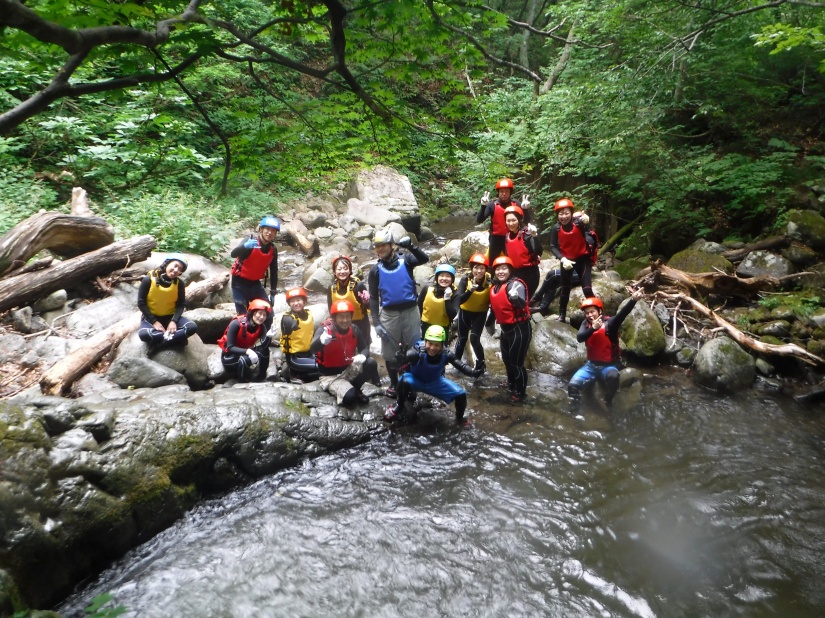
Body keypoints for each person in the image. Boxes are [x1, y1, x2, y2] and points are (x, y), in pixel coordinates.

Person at [368, 228, 429, 397]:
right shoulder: (375, 271)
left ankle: (410, 381)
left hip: (410, 311)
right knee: (389, 353)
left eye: (382, 245)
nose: (379, 249)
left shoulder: (407, 260)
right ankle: (394, 384)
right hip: (389, 314)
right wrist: (377, 323)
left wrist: (412, 246)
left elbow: (425, 258)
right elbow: (373, 298)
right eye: (376, 246)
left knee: (415, 349)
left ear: (392, 245)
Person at [384, 325, 483, 425]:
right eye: (430, 343)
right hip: (415, 380)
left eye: (436, 345)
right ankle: (399, 405)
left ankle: (459, 419)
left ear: (442, 345)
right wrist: (398, 360)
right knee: (404, 380)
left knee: (461, 394)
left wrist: (474, 372)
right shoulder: (416, 352)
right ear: (425, 341)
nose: (432, 348)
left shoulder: (446, 354)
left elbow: (461, 366)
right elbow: (393, 366)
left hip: (435, 383)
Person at [568, 289, 644, 411]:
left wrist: (633, 300)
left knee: (613, 377)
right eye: (587, 313)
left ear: (600, 311)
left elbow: (622, 314)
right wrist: (593, 328)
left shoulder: (610, 323)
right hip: (591, 366)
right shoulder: (585, 324)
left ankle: (607, 400)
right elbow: (580, 338)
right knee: (572, 386)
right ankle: (575, 408)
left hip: (608, 366)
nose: (590, 315)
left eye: (592, 312)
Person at [311, 299, 380, 407]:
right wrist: (321, 341)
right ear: (334, 317)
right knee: (349, 399)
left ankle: (356, 389)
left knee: (371, 363)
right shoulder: (324, 330)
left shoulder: (354, 329)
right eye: (341, 317)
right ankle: (349, 390)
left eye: (348, 316)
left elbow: (364, 348)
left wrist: (362, 355)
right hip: (330, 376)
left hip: (348, 369)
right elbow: (312, 349)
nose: (345, 320)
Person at [488, 256, 532, 403]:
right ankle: (511, 384)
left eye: (504, 269)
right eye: (498, 269)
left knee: (517, 363)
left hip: (519, 328)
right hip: (505, 329)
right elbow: (496, 308)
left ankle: (521, 393)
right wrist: (490, 324)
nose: (501, 272)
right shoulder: (495, 288)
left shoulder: (516, 285)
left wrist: (515, 298)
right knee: (507, 360)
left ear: (510, 270)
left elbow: (522, 303)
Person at [137, 253, 198, 351]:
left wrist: (173, 321)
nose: (176, 270)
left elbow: (181, 304)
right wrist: (155, 322)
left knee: (192, 327)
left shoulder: (179, 284)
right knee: (144, 335)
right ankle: (177, 339)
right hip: (151, 318)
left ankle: (159, 346)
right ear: (167, 263)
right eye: (175, 265)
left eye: (180, 269)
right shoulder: (148, 279)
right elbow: (141, 303)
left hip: (170, 317)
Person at [548, 198, 596, 323]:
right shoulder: (556, 228)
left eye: (566, 213)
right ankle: (562, 315)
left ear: (571, 213)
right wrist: (562, 259)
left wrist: (587, 222)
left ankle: (597, 312)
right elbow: (552, 246)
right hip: (566, 261)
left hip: (582, 260)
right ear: (557, 215)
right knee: (565, 290)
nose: (564, 216)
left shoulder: (579, 223)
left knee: (586, 288)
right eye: (561, 214)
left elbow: (588, 233)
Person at [230, 215, 280, 325]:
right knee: (243, 317)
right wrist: (245, 246)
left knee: (268, 313)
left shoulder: (273, 249)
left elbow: (274, 271)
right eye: (267, 229)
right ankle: (242, 339)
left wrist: (273, 292)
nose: (269, 233)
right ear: (261, 229)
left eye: (273, 231)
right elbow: (233, 254)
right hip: (239, 284)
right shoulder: (250, 240)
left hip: (255, 284)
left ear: (276, 234)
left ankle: (264, 340)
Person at [476, 178, 533, 262]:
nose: (504, 194)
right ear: (498, 192)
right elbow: (479, 220)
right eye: (502, 191)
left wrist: (525, 209)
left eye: (506, 191)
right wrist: (483, 206)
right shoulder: (492, 205)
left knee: (512, 261)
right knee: (493, 263)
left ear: (510, 192)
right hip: (496, 239)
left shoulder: (516, 204)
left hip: (512, 237)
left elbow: (526, 221)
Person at [453, 253, 491, 375]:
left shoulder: (489, 280)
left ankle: (481, 365)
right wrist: (470, 290)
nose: (478, 271)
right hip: (465, 312)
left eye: (482, 268)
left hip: (480, 314)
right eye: (476, 267)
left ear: (486, 269)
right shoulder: (465, 279)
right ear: (471, 268)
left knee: (474, 339)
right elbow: (459, 300)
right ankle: (456, 363)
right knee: (462, 339)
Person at [218, 298, 272, 382]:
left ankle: (261, 377)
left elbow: (264, 346)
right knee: (244, 359)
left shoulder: (261, 326)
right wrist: (247, 351)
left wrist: (269, 337)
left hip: (246, 353)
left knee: (264, 351)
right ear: (252, 312)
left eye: (264, 315)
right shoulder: (236, 324)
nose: (262, 317)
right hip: (229, 356)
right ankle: (242, 382)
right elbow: (230, 348)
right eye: (259, 313)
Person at [326, 255, 371, 349]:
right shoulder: (331, 287)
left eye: (345, 269)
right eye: (339, 269)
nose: (342, 272)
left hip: (360, 324)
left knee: (363, 350)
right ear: (334, 271)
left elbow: (369, 307)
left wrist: (366, 302)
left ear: (350, 270)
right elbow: (331, 310)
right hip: (340, 325)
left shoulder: (358, 286)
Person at [280, 286, 318, 383]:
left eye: (298, 300)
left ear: (304, 301)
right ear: (289, 304)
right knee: (322, 368)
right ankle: (294, 374)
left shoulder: (308, 314)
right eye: (292, 301)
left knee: (329, 364)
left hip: (309, 353)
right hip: (294, 358)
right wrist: (292, 325)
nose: (296, 303)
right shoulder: (287, 318)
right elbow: (289, 324)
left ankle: (301, 374)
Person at [503, 204, 542, 298]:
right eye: (508, 220)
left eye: (513, 220)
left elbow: (538, 252)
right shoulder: (507, 236)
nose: (511, 223)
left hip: (530, 273)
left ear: (519, 220)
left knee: (523, 300)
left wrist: (535, 237)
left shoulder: (527, 234)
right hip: (514, 273)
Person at [417, 263, 458, 339]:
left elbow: (453, 315)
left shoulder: (455, 293)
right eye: (441, 275)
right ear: (437, 278)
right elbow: (419, 305)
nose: (444, 278)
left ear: (452, 279)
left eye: (448, 276)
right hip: (426, 324)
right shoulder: (427, 288)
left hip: (443, 327)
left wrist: (447, 298)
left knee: (441, 349)